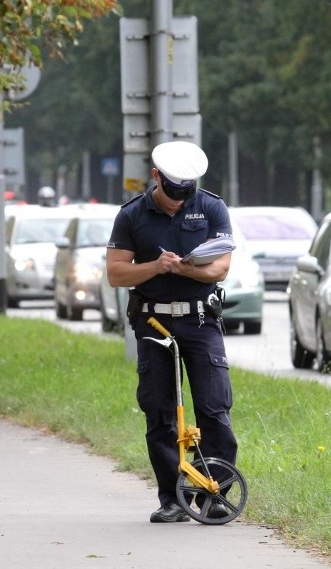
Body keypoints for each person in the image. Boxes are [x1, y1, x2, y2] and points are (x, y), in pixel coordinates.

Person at [105, 140, 238, 523]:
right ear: (156, 177)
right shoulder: (132, 215)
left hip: (200, 320)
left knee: (215, 409)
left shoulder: (211, 207)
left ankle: (212, 493)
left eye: (186, 193)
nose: (179, 200)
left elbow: (220, 269)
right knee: (160, 412)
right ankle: (173, 499)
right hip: (153, 321)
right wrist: (156, 267)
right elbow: (116, 272)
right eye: (172, 192)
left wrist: (185, 269)